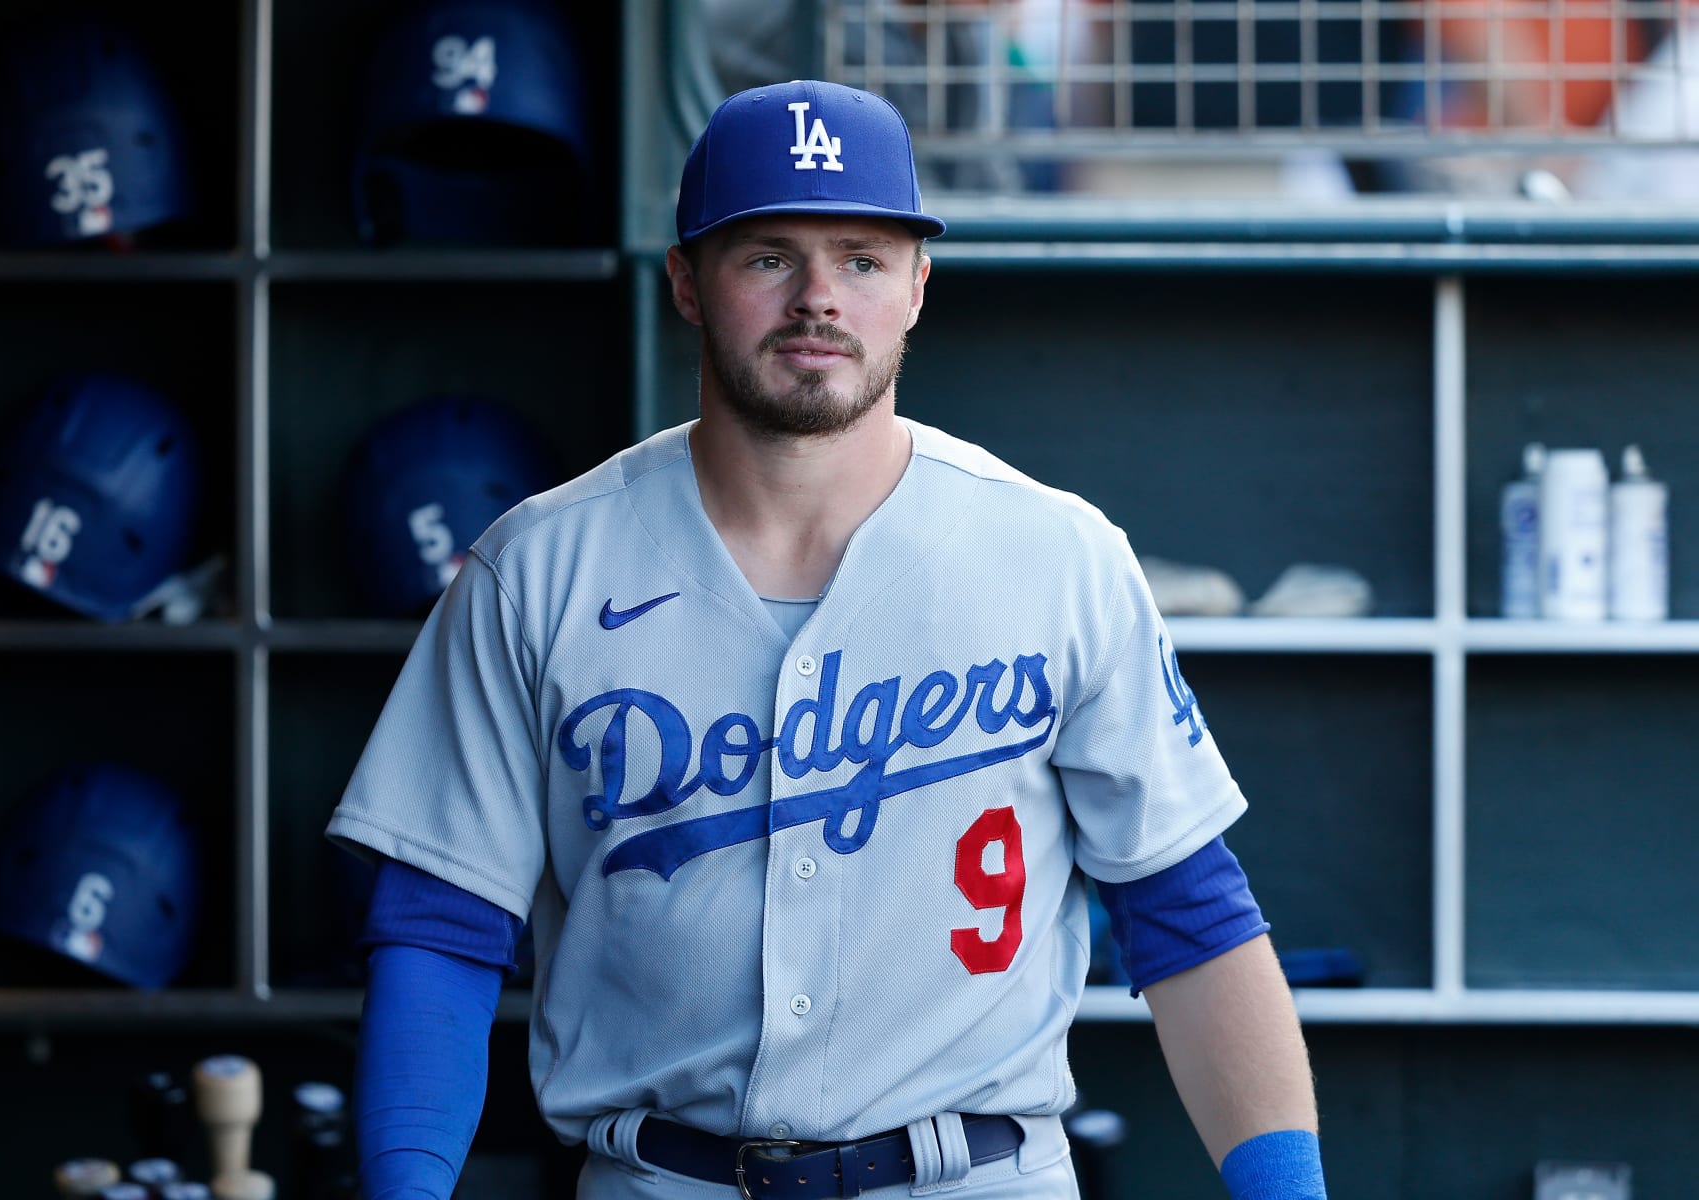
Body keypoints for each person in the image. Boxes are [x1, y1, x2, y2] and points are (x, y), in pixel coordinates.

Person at [327, 78, 1328, 1199]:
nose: (819, 297)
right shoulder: (536, 569)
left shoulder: (1061, 556)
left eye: (861, 258)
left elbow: (1188, 917)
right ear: (687, 284)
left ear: (917, 287)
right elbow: (440, 930)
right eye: (768, 256)